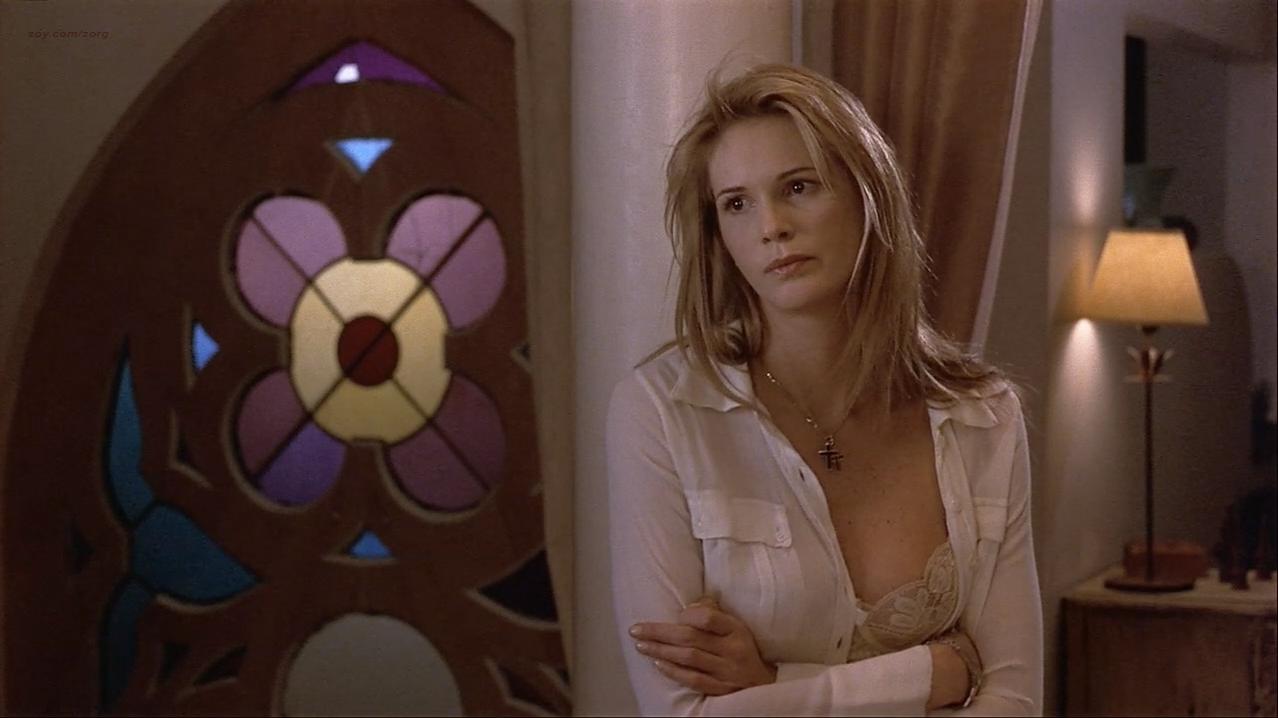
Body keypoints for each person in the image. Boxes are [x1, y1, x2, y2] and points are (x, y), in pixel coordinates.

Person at [606, 63, 1042, 716]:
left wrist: (775, 682)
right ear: (718, 236)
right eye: (736, 204)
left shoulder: (982, 415)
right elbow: (684, 712)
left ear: (868, 195)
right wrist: (939, 672)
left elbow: (1014, 701)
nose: (772, 226)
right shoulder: (663, 412)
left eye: (799, 187)